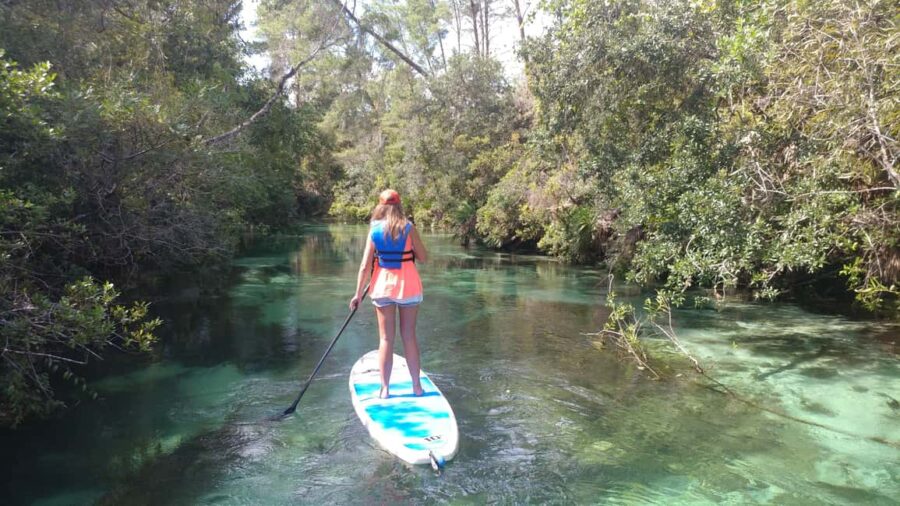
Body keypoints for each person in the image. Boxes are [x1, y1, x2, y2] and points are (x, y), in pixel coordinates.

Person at [350, 189, 428, 398]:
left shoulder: (374, 230)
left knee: (385, 339)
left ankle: (385, 389)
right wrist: (410, 249)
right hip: (408, 287)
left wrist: (357, 294)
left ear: (380, 206)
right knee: (409, 336)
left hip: (382, 287)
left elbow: (365, 266)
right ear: (399, 206)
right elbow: (423, 257)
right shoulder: (409, 228)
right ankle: (416, 387)